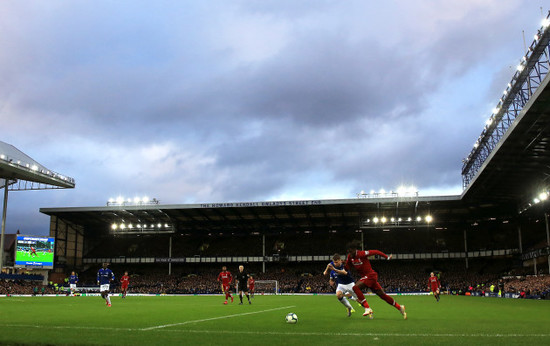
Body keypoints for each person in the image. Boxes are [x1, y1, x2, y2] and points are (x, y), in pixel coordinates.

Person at [342, 240, 407, 319]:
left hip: (371, 275)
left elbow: (376, 252)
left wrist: (387, 257)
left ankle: (367, 308)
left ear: (355, 249)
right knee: (383, 295)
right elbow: (347, 268)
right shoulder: (350, 257)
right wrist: (342, 265)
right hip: (367, 278)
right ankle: (400, 307)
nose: (350, 253)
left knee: (355, 287)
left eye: (351, 251)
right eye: (348, 252)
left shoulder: (362, 254)